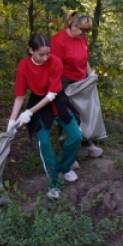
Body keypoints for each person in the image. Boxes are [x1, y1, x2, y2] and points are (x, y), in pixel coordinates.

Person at [7, 34, 82, 199]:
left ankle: (65, 166)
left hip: (56, 99)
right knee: (45, 143)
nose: (46, 57)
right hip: (38, 102)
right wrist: (12, 121)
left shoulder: (55, 62)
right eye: (41, 54)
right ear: (30, 50)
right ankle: (54, 184)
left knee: (76, 135)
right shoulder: (23, 66)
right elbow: (20, 96)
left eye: (48, 53)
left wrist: (28, 112)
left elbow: (52, 95)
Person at [51, 12, 103, 158]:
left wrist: (91, 74)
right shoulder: (59, 41)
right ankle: (67, 150)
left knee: (85, 112)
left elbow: (84, 58)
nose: (84, 34)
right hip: (65, 81)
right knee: (69, 114)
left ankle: (86, 144)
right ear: (73, 25)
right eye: (82, 30)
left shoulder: (82, 38)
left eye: (87, 31)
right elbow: (54, 67)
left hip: (82, 80)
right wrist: (58, 90)